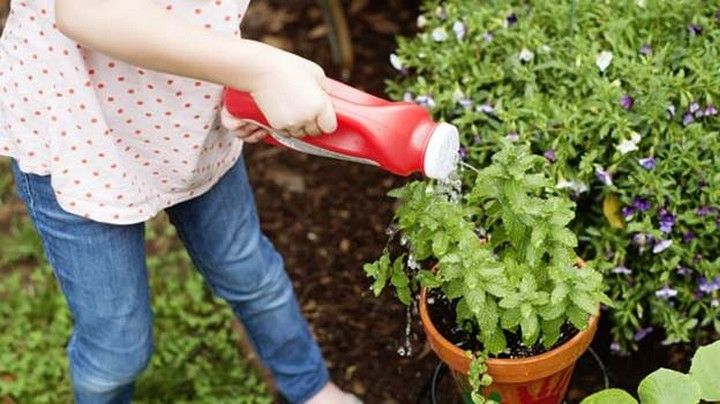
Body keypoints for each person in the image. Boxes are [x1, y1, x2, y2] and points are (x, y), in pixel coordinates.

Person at [0, 0, 361, 403]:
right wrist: (261, 69)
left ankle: (310, 386)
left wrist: (236, 83)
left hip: (187, 120)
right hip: (80, 131)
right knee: (118, 349)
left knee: (251, 274)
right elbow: (87, 12)